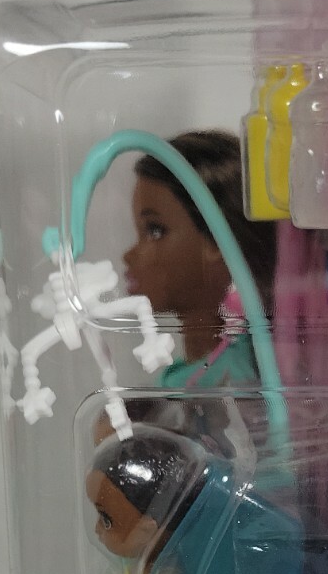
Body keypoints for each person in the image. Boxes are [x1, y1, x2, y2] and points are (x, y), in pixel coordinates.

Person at [117, 130, 277, 465]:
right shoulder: (190, 373)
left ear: (218, 242)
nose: (129, 254)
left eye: (155, 231)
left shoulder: (233, 382)